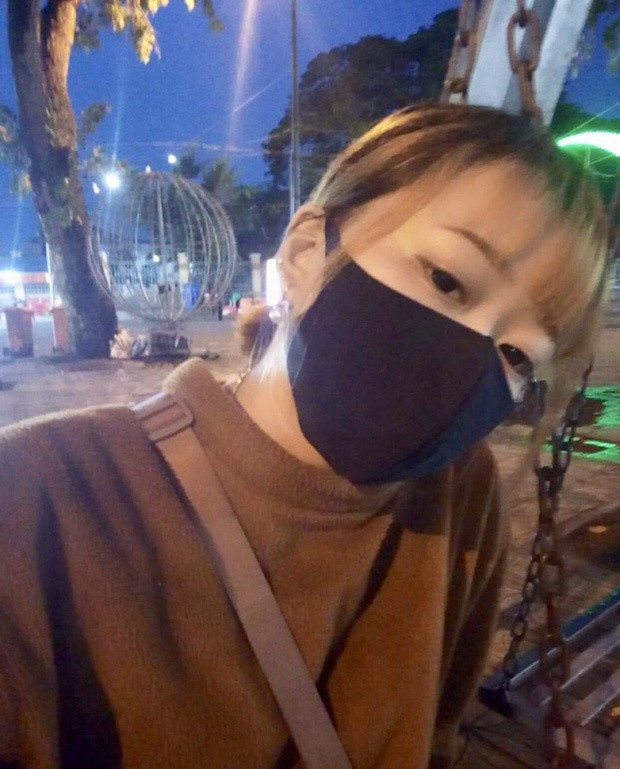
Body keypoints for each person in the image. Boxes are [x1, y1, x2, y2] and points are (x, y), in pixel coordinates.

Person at [0, 103, 609, 769]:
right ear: (305, 252)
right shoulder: (35, 497)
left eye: (517, 355)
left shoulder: (461, 493)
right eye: (446, 279)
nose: (470, 359)